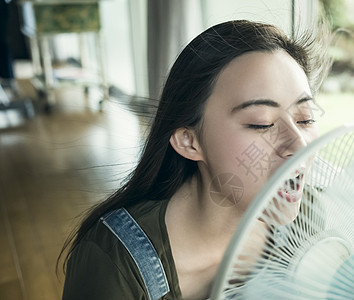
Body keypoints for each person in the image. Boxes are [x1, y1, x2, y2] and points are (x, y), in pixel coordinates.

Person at [60, 19, 329, 300]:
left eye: (305, 118)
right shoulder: (114, 263)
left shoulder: (307, 218)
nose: (299, 145)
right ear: (189, 141)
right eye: (261, 124)